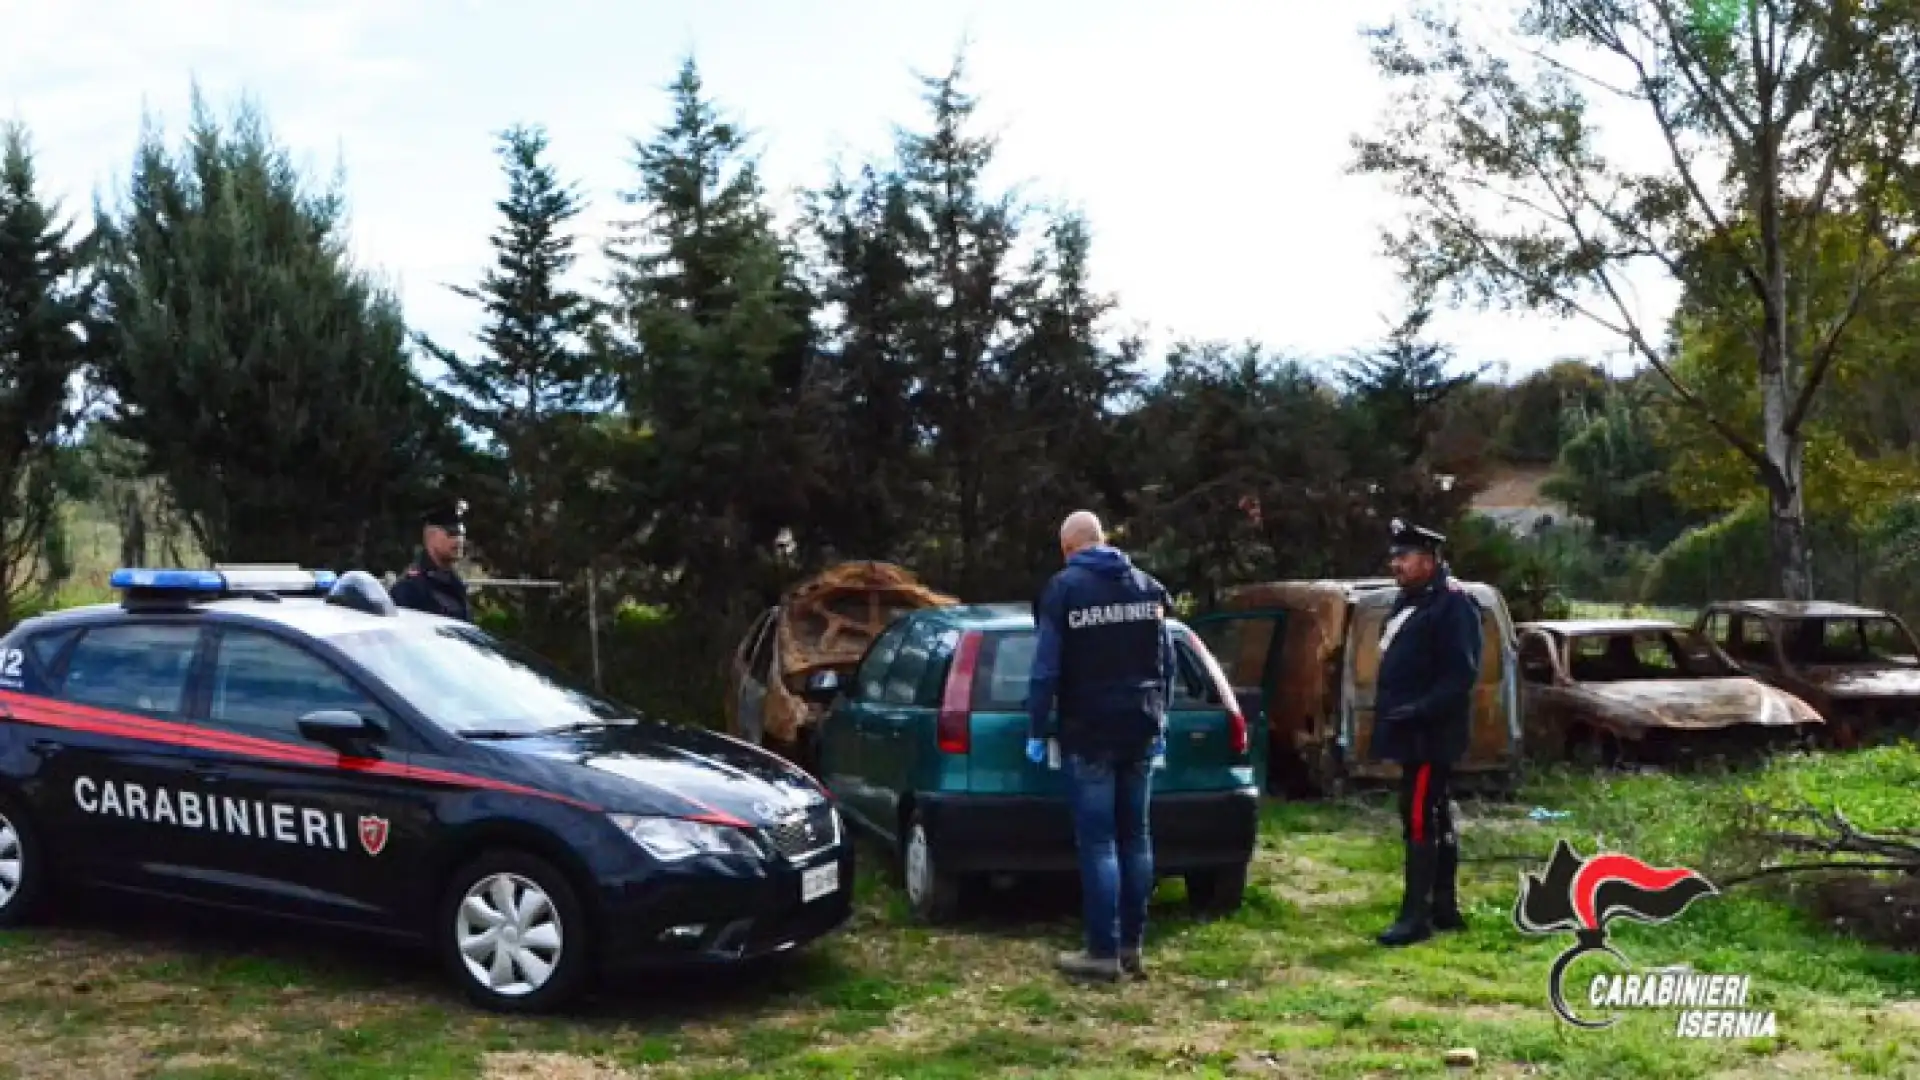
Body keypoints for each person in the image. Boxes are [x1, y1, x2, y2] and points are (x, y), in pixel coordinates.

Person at [1026, 510, 1177, 983]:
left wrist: (1036, 725)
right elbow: (1166, 663)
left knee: (1099, 844)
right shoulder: (1149, 587)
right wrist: (1162, 719)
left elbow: (1047, 668)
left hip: (1089, 730)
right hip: (1141, 725)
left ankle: (1102, 953)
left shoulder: (1065, 589)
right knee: (1137, 837)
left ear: (1070, 548)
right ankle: (1132, 946)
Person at [1372, 518, 1483, 947]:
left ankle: (1414, 918)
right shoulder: (1410, 601)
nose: (1395, 564)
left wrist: (1417, 711)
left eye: (1404, 556)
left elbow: (1460, 675)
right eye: (1394, 556)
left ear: (1430, 560)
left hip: (1430, 732)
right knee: (1434, 814)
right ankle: (1443, 907)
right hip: (1409, 729)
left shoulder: (1453, 604)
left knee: (1418, 816)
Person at [390, 499, 472, 622]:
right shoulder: (410, 587)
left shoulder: (455, 583)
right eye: (452, 533)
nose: (459, 540)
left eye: (462, 534)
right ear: (431, 536)